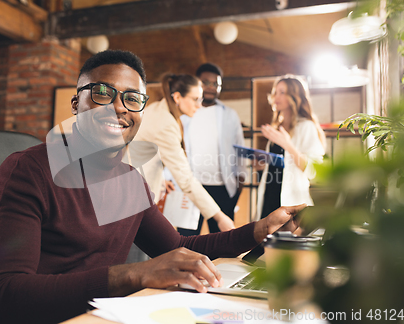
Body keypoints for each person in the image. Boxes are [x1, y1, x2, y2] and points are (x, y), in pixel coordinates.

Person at [0, 50, 304, 324]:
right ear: (76, 104)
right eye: (103, 92)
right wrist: (134, 275)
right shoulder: (29, 171)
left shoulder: (128, 180)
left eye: (132, 99)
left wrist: (257, 230)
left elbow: (177, 244)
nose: (119, 107)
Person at [135, 73, 236, 233]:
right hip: (134, 199)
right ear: (177, 97)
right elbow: (186, 180)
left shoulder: (158, 109)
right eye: (195, 99)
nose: (199, 105)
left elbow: (143, 152)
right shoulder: (165, 124)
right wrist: (219, 216)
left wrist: (160, 179)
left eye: (200, 99)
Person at [180, 63, 246, 236]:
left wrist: (239, 183)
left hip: (223, 188)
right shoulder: (186, 113)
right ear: (197, 84)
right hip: (191, 187)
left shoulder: (229, 114)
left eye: (215, 84)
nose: (210, 87)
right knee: (186, 239)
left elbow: (240, 150)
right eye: (205, 82)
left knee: (222, 242)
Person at [256, 75, 326, 221]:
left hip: (291, 199)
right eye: (275, 92)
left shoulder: (306, 126)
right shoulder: (277, 127)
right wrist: (263, 165)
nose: (276, 96)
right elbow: (280, 165)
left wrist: (287, 145)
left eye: (282, 92)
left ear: (295, 96)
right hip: (269, 197)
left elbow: (314, 170)